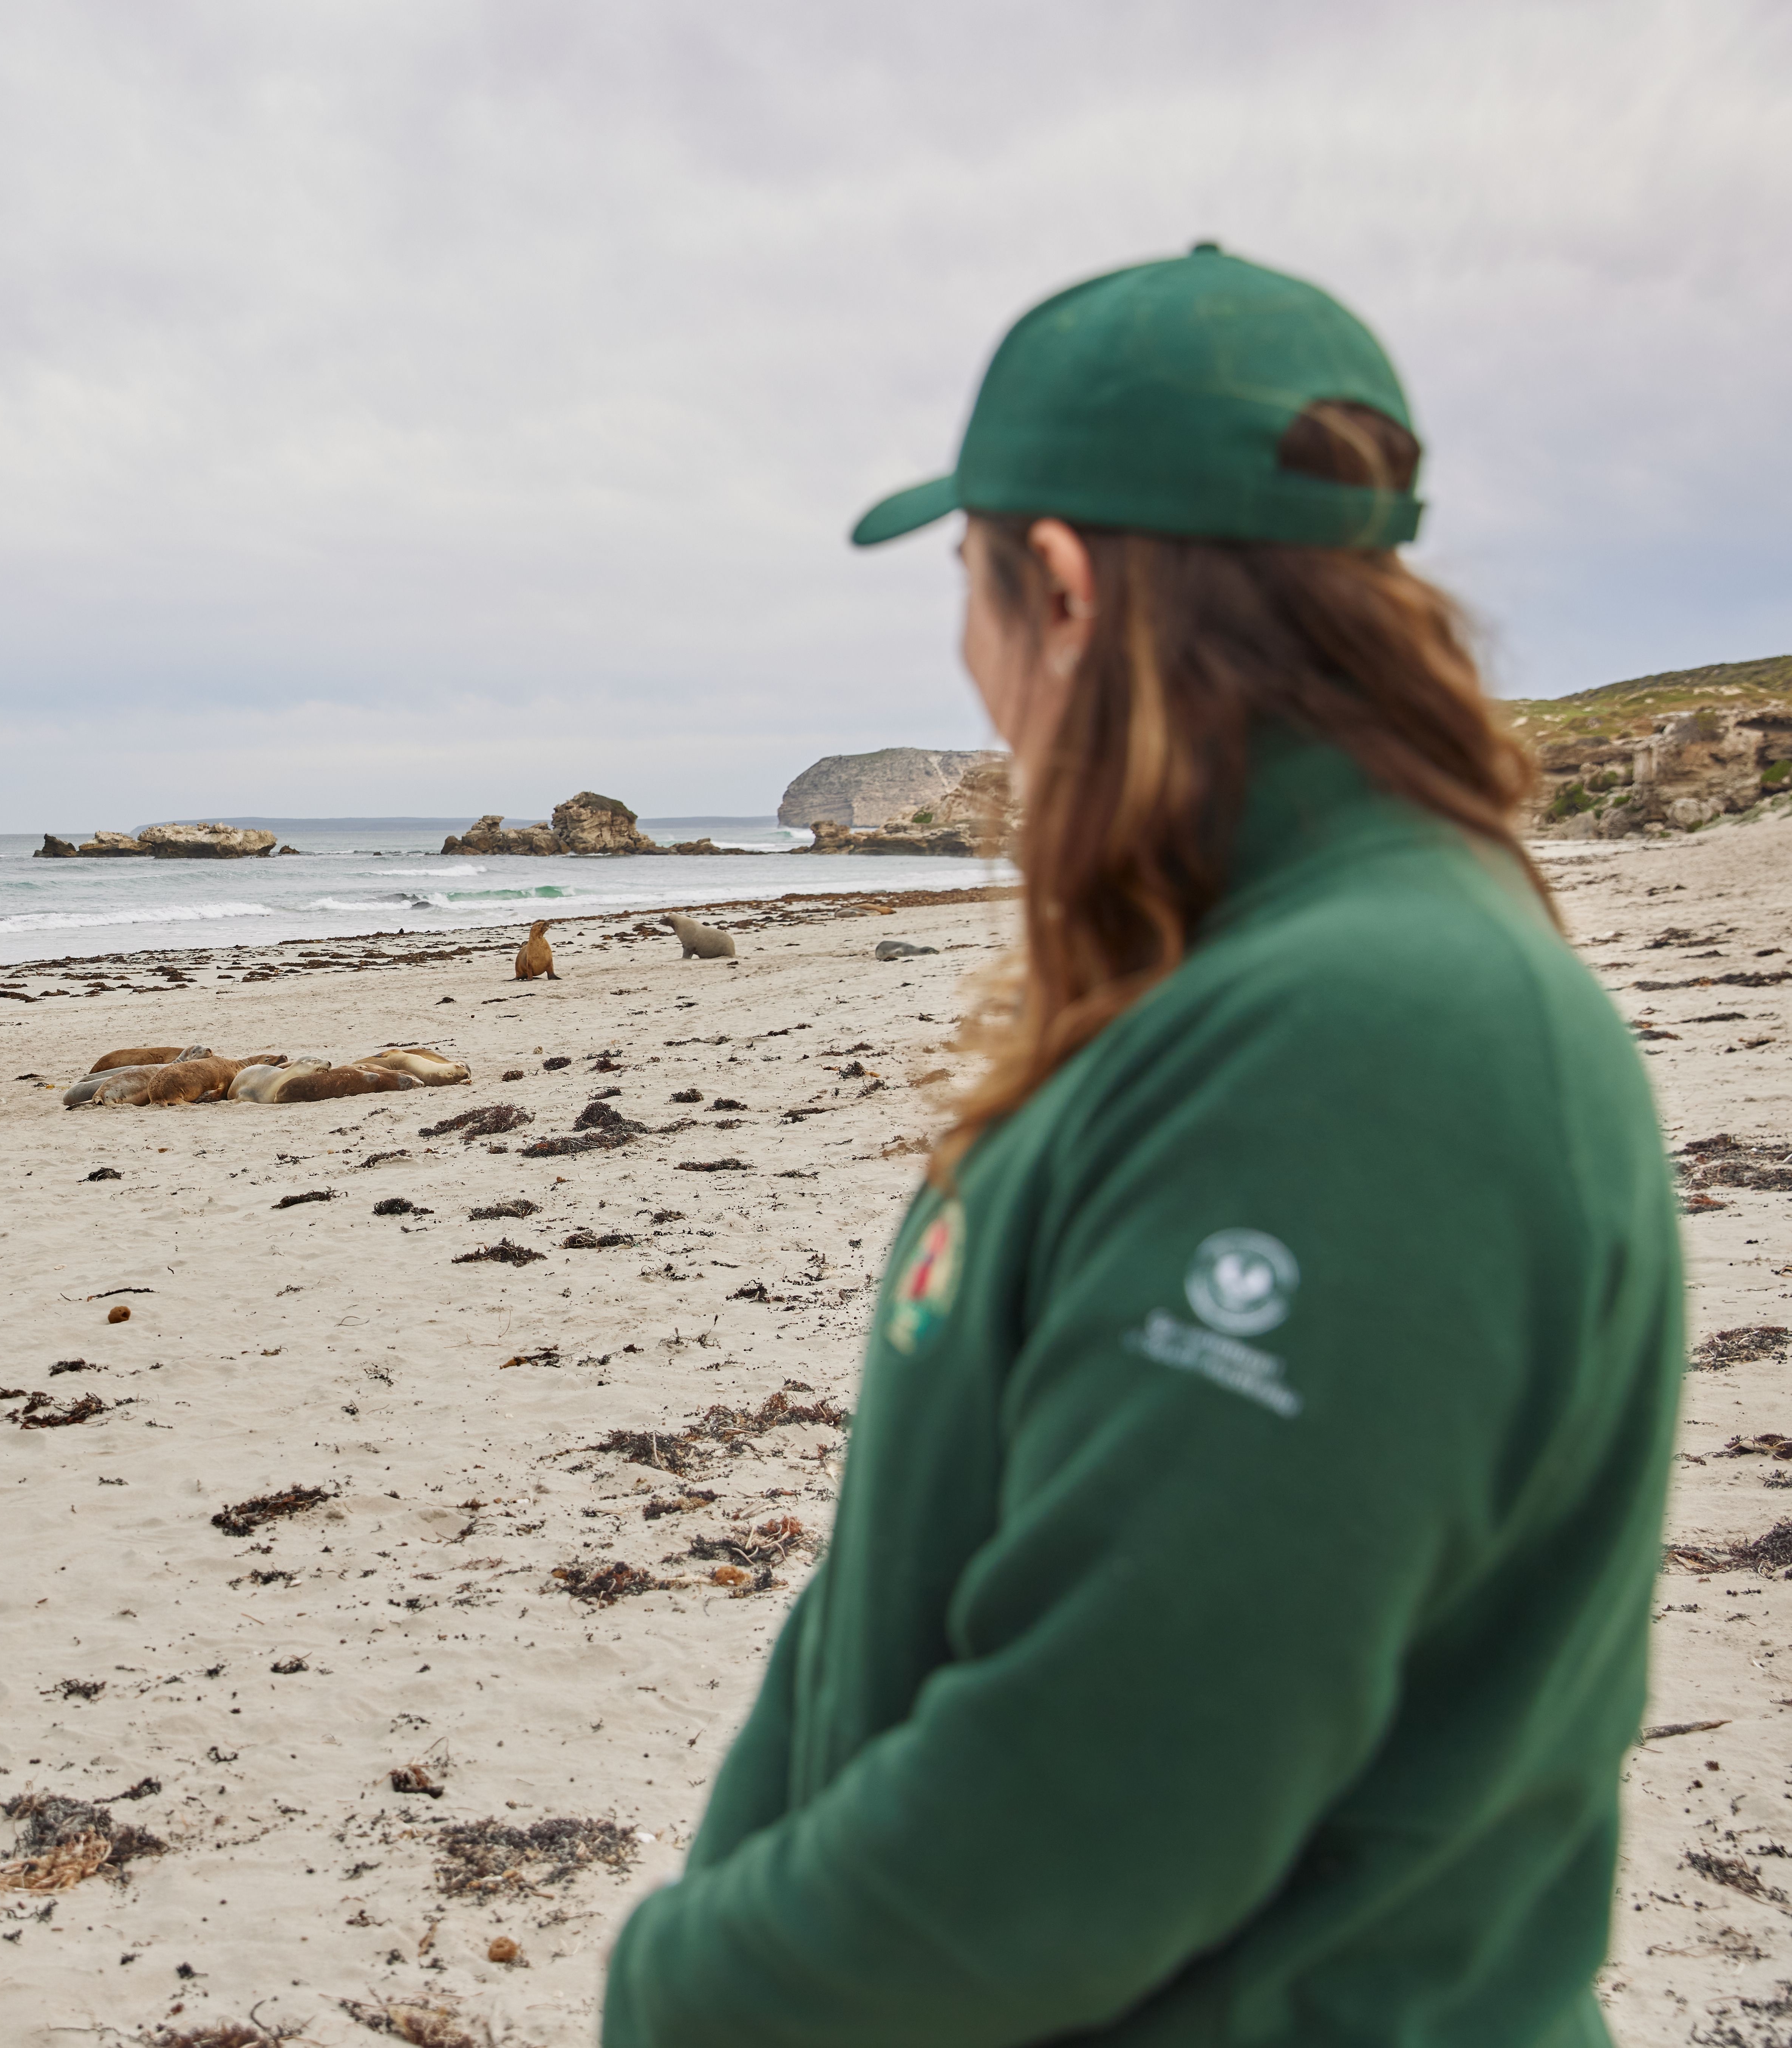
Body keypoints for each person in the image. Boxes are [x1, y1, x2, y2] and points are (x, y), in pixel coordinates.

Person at [603, 244, 1681, 2045]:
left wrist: (678, 1988)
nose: (968, 665)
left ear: (1060, 582)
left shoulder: (1373, 1038)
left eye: (963, 584)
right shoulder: (1236, 971)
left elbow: (1080, 1811)